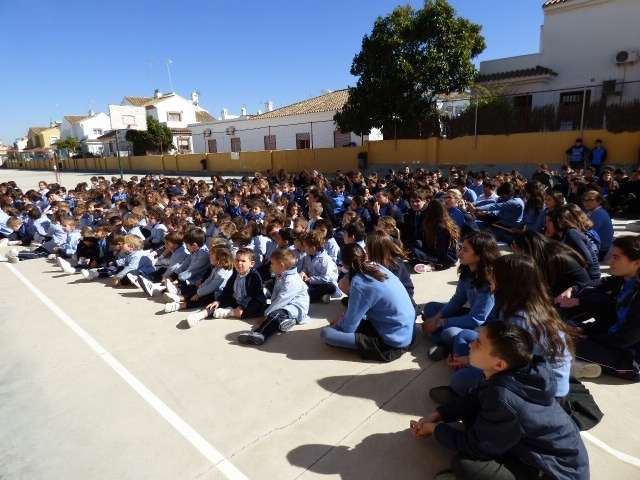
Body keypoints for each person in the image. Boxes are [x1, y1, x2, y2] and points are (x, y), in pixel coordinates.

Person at [411, 322, 589, 480]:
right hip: (538, 449)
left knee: (466, 465)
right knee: (475, 414)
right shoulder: (515, 371)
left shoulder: (503, 399)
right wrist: (439, 414)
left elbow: (476, 446)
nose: (471, 344)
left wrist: (435, 429)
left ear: (499, 364)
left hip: (553, 472)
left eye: (478, 343)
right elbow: (477, 397)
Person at [434, 254, 575, 402]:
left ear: (507, 282)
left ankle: (471, 393)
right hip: (522, 362)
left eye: (493, 276)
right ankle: (469, 378)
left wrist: (471, 360)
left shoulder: (520, 320)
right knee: (464, 336)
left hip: (542, 388)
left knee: (459, 380)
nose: (489, 279)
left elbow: (507, 363)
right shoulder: (521, 302)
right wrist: (471, 358)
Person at [558, 235, 640, 381]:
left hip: (631, 359)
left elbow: (624, 339)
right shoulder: (625, 279)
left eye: (616, 257)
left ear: (637, 263)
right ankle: (578, 364)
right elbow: (597, 284)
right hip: (615, 340)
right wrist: (584, 329)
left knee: (560, 340)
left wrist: (588, 336)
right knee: (564, 330)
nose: (609, 262)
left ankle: (576, 365)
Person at [320, 244, 416, 362]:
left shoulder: (359, 284)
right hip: (409, 331)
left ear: (344, 265)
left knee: (326, 333)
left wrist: (339, 323)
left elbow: (348, 328)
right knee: (354, 319)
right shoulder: (378, 267)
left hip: (392, 343)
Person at [422, 232, 499, 361]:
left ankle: (443, 344)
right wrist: (437, 317)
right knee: (430, 308)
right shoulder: (468, 270)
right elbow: (458, 299)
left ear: (480, 255)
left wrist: (441, 322)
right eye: (461, 248)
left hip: (485, 326)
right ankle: (445, 343)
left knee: (449, 332)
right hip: (470, 315)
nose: (459, 253)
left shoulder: (489, 282)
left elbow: (477, 319)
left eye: (465, 250)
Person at [235, 248, 310, 345]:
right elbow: (275, 295)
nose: (270, 266)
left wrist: (266, 314)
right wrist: (268, 304)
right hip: (283, 304)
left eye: (272, 263)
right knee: (264, 303)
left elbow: (281, 300)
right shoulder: (281, 275)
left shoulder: (292, 280)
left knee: (275, 315)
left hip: (293, 307)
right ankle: (286, 322)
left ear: (281, 266)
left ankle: (260, 334)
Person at [511, 230, 592, 301]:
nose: (517, 255)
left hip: (573, 297)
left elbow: (586, 283)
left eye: (517, 251)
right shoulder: (545, 254)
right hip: (560, 293)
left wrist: (573, 290)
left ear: (526, 249)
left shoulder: (554, 257)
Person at [162, 245, 234, 315]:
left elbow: (211, 287)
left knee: (204, 297)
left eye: (212, 255)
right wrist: (201, 286)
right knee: (197, 289)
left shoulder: (222, 273)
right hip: (211, 290)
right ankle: (179, 298)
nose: (210, 256)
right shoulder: (217, 267)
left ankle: (181, 305)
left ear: (220, 258)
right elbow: (209, 280)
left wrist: (198, 294)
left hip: (218, 295)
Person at [199, 248, 267, 320]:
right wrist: (218, 301)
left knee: (254, 307)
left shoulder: (254, 276)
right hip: (236, 300)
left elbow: (254, 295)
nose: (239, 263)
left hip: (249, 301)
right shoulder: (235, 272)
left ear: (251, 264)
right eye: (237, 260)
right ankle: (203, 314)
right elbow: (228, 289)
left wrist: (242, 307)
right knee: (216, 302)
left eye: (243, 261)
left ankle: (231, 312)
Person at [546, 206, 601, 282]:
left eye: (549, 221)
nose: (546, 224)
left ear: (558, 221)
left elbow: (588, 260)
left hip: (590, 277)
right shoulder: (559, 236)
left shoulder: (572, 233)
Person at [412, 200, 459, 272]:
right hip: (448, 255)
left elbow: (442, 250)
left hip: (447, 257)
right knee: (417, 246)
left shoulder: (441, 227)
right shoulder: (447, 222)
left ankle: (432, 265)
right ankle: (430, 264)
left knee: (416, 252)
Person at [300, 230, 340, 303]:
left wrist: (310, 279)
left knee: (330, 287)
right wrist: (303, 272)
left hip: (324, 283)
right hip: (312, 283)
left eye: (305, 246)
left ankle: (311, 296)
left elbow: (327, 278)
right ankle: (318, 296)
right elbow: (305, 267)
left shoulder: (325, 260)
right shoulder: (307, 256)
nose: (304, 248)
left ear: (313, 247)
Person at [582, 190, 613, 261]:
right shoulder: (592, 211)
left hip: (600, 250)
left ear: (599, 201)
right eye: (584, 200)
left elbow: (588, 233)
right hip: (597, 247)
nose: (586, 202)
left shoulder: (599, 213)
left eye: (590, 200)